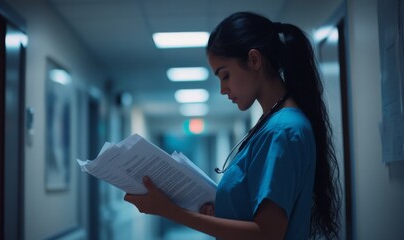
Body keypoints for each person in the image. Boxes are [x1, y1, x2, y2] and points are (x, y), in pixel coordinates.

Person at [124, 11, 341, 240]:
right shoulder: (273, 125)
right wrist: (224, 212)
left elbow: (267, 234)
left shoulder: (282, 131)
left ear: (254, 60)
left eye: (225, 75)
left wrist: (171, 212)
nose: (222, 89)